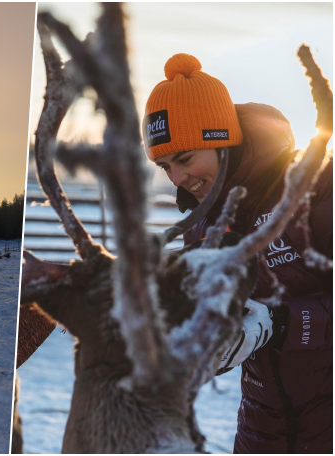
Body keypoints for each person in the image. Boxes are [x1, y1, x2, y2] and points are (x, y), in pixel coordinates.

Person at [143, 53, 332, 453]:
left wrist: (279, 324)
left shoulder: (317, 187)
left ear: (220, 139)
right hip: (261, 429)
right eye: (164, 167)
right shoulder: (202, 222)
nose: (177, 178)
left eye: (185, 158)